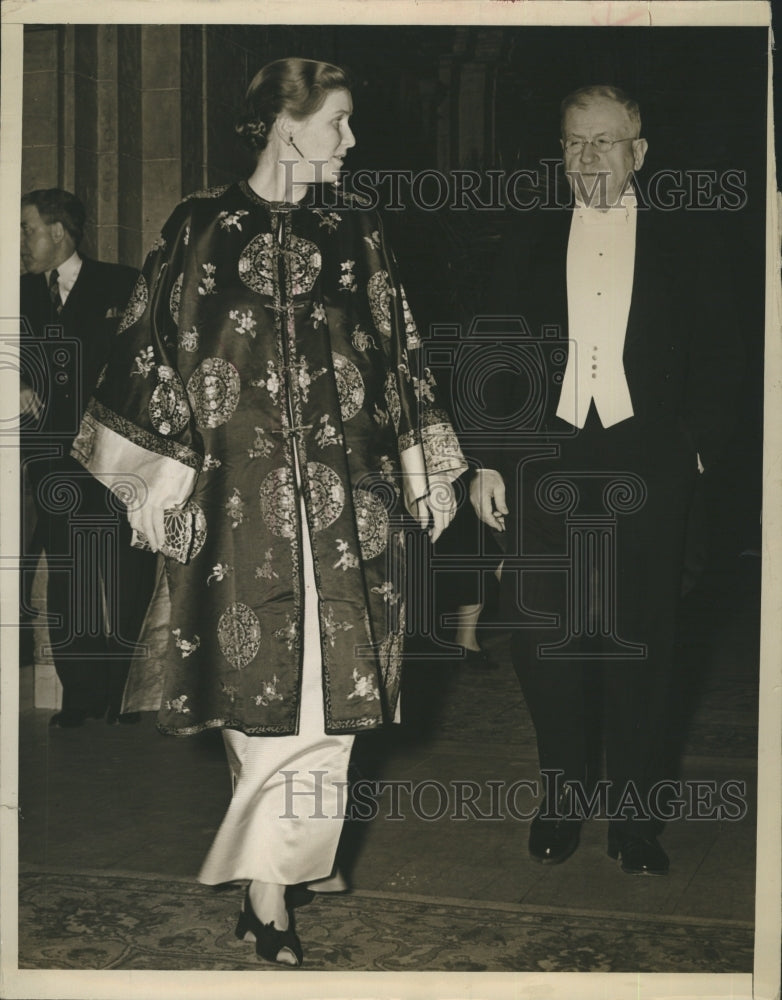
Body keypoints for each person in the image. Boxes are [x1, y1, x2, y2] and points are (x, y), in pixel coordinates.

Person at [71, 57, 466, 965]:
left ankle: (267, 892)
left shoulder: (357, 228)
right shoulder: (198, 228)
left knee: (331, 712)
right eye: (342, 121)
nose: (354, 140)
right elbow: (147, 356)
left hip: (348, 517)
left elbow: (398, 353)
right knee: (255, 708)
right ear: (290, 129)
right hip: (233, 512)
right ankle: (269, 884)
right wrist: (154, 491)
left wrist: (428, 472)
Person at [470, 85, 741, 875]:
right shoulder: (524, 236)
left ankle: (633, 821)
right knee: (545, 644)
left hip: (649, 465)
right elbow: (489, 348)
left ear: (639, 153)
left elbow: (727, 354)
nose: (587, 157)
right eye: (573, 143)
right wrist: (488, 458)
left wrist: (694, 450)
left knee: (642, 650)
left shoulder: (689, 240)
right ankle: (561, 799)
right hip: (542, 463)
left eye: (604, 142)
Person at [19, 188, 158, 727]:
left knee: (127, 572)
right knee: (71, 576)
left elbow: (147, 363)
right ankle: (81, 696)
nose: (21, 243)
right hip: (53, 462)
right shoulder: (17, 294)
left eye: (27, 229)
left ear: (58, 231)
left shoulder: (122, 285)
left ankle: (125, 693)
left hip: (119, 459)